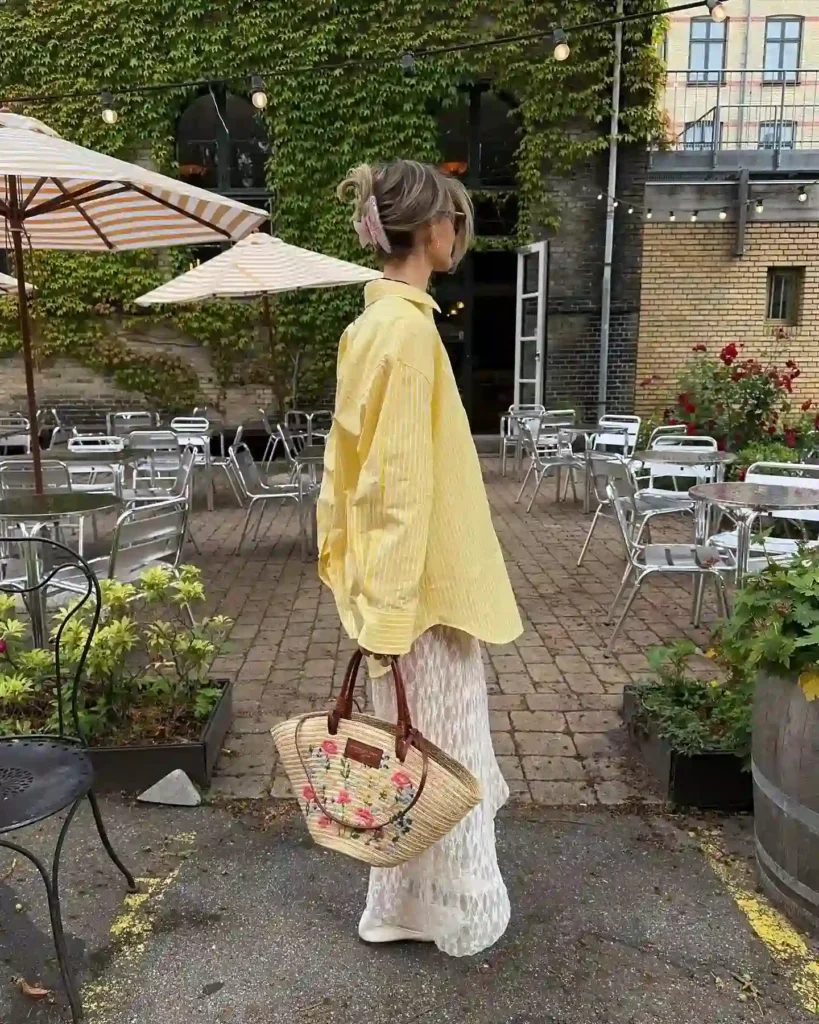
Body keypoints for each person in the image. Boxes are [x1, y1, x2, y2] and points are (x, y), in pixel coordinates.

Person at [317, 159, 522, 957]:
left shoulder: (371, 326)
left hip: (405, 586)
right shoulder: (405, 332)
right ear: (428, 228)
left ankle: (396, 907)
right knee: (442, 758)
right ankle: (450, 913)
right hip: (424, 593)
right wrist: (392, 613)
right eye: (453, 220)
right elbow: (395, 484)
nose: (457, 234)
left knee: (413, 756)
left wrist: (364, 588)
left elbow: (346, 471)